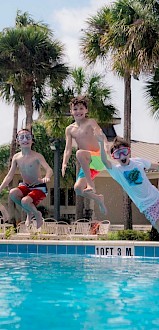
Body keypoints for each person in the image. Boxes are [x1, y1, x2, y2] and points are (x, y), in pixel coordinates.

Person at [96, 130, 159, 232]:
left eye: (124, 152)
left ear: (128, 152)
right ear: (114, 157)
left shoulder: (138, 161)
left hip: (157, 196)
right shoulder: (117, 171)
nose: (122, 157)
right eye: (118, 154)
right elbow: (104, 161)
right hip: (146, 206)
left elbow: (156, 166)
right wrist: (101, 143)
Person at [62, 95, 108, 214]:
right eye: (75, 109)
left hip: (98, 158)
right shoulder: (69, 129)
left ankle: (90, 184)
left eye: (81, 108)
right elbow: (67, 149)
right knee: (77, 189)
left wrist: (106, 147)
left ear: (86, 110)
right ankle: (99, 199)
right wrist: (64, 163)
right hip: (88, 164)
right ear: (71, 111)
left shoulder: (90, 122)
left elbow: (101, 135)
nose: (78, 111)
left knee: (80, 153)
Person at [0, 128, 53, 229]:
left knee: (25, 201)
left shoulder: (37, 156)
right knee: (12, 193)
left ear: (32, 140)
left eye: (28, 137)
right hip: (25, 186)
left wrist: (47, 177)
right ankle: (30, 212)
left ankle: (37, 214)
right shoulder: (16, 157)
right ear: (18, 141)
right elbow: (10, 175)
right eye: (22, 137)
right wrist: (1, 188)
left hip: (39, 187)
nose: (25, 139)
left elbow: (49, 169)